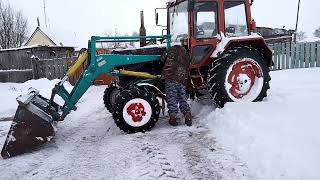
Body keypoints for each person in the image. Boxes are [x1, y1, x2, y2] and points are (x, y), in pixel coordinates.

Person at [161, 45, 192, 126]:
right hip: (181, 78)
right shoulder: (185, 53)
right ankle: (187, 116)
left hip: (170, 77)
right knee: (182, 98)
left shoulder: (170, 50)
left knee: (172, 98)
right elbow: (188, 63)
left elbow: (162, 59)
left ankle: (173, 118)